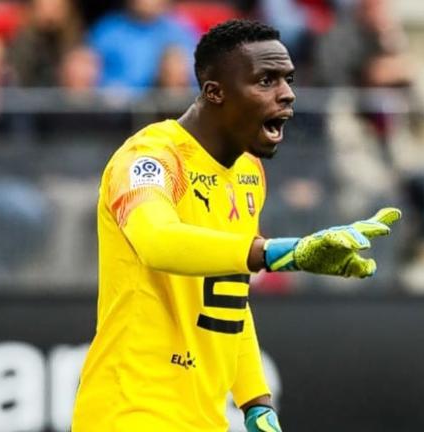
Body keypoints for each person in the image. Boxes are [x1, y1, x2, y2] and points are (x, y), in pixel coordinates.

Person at [71, 19, 401, 432]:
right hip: (130, 412)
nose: (287, 93)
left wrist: (256, 402)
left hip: (204, 419)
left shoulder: (248, 172)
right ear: (215, 92)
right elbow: (155, 241)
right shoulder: (150, 158)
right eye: (266, 81)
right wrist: (280, 253)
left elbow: (229, 293)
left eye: (287, 79)